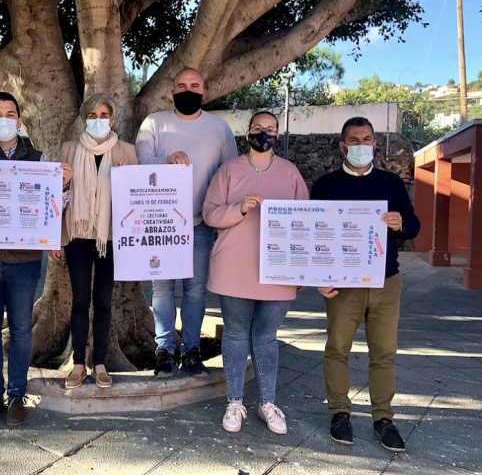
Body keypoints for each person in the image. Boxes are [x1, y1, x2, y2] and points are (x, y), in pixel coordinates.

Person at [0, 92, 72, 427]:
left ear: (19, 121)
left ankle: (16, 394)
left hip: (23, 260)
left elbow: (54, 207)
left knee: (21, 328)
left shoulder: (38, 159)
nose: (4, 119)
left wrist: (64, 185)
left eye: (10, 113)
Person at [311, 117, 420, 453]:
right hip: (343, 285)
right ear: (343, 146)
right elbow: (315, 235)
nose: (361, 144)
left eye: (367, 138)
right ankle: (340, 413)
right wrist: (318, 277)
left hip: (386, 282)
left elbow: (413, 226)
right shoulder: (326, 186)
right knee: (337, 348)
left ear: (375, 144)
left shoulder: (391, 184)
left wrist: (401, 223)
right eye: (354, 139)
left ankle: (383, 418)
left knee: (384, 352)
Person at [203, 111, 308, 434]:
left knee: (265, 338)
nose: (265, 133)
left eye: (271, 129)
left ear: (278, 133)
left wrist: (302, 269)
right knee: (235, 335)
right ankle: (235, 402)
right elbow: (209, 214)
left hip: (278, 271)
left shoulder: (290, 173)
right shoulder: (229, 171)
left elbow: (305, 221)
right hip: (234, 267)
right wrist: (239, 209)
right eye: (259, 128)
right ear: (248, 132)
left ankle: (267, 403)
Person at [135, 68, 238, 379]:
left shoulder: (219, 129)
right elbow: (140, 160)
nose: (188, 89)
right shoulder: (154, 123)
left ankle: (191, 349)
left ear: (204, 92)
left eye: (195, 85)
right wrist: (165, 162)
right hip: (162, 224)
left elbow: (230, 173)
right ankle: (164, 349)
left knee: (195, 291)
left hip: (202, 224)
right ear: (172, 91)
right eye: (182, 85)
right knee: (162, 290)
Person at [57, 93, 138, 389]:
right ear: (83, 118)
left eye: (104, 115)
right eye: (92, 115)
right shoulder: (69, 149)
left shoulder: (127, 151)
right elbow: (57, 200)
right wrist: (63, 183)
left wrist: (128, 181)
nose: (98, 120)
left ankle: (100, 362)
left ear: (113, 119)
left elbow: (135, 201)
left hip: (111, 237)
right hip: (78, 234)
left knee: (104, 301)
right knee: (80, 301)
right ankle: (79, 363)